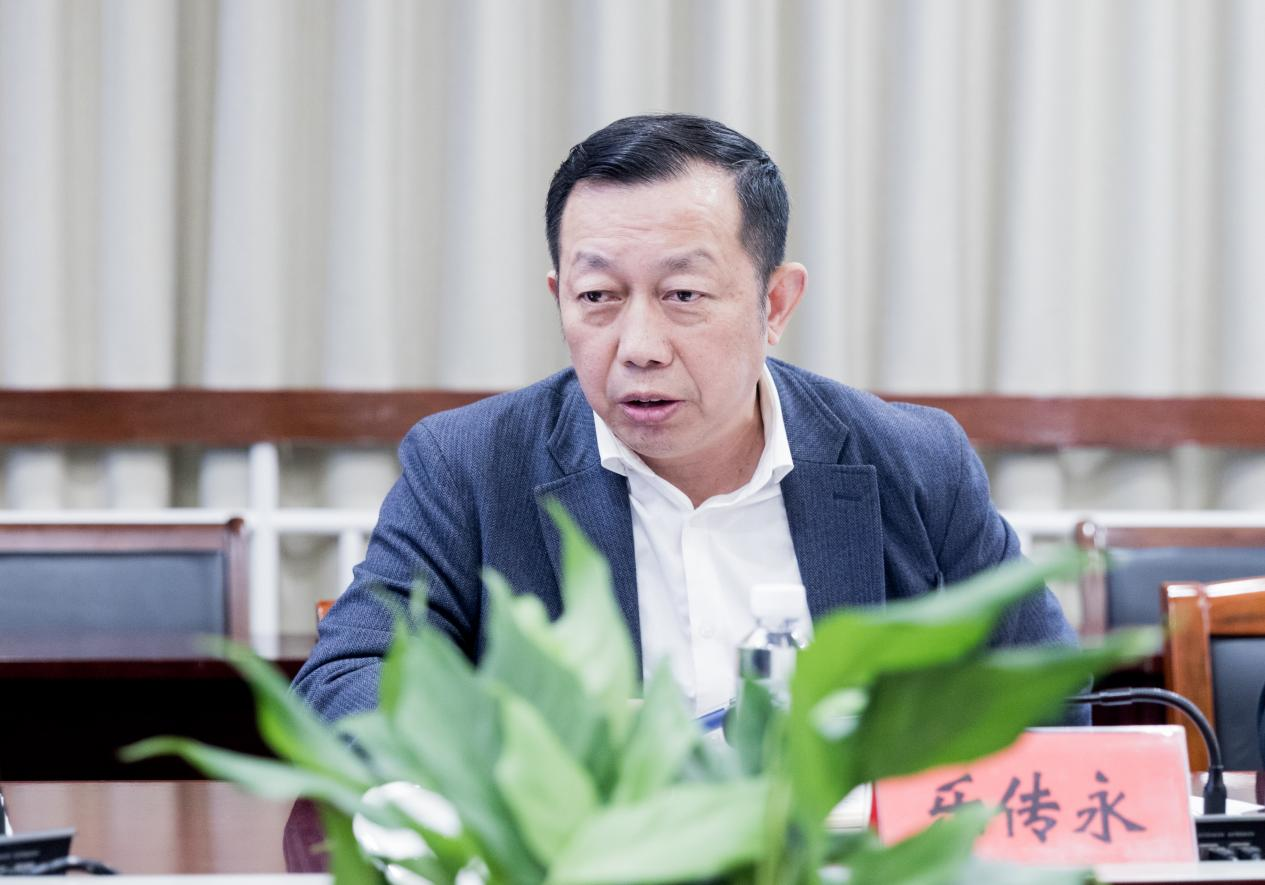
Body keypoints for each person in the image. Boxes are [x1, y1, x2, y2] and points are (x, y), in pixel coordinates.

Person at [293, 113, 1081, 722]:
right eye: (597, 296)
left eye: (683, 295)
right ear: (558, 297)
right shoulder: (470, 463)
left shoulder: (913, 459)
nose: (638, 347)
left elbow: (1047, 695)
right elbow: (346, 681)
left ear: (775, 303)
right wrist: (533, 755)